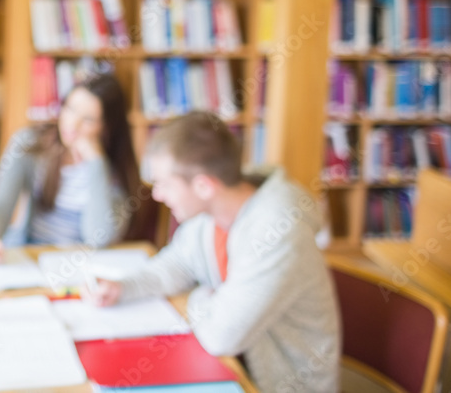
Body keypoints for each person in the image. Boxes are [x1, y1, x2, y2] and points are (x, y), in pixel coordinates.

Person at [88, 112, 340, 393]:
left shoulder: (278, 231)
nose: (157, 195)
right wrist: (124, 287)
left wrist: (200, 296)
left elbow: (222, 335)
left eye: (164, 184)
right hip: (230, 368)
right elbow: (176, 265)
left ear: (203, 186)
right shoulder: (210, 215)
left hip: (279, 385)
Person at [0, 73, 145, 250]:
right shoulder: (29, 143)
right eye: (70, 109)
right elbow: (1, 206)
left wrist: (96, 163)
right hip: (29, 254)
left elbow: (98, 238)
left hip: (78, 265)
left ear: (107, 127)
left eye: (88, 119)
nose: (72, 124)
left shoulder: (111, 169)